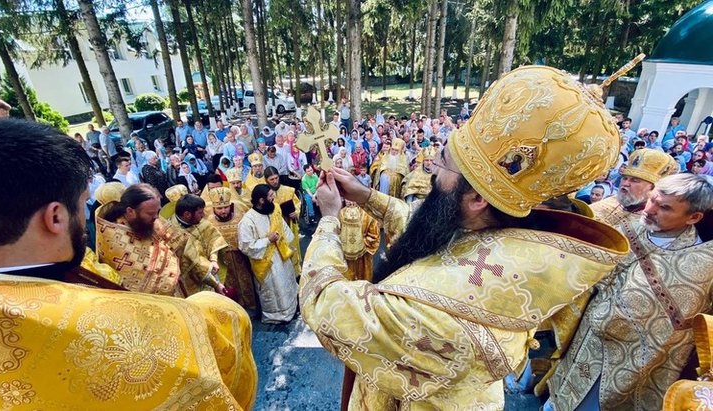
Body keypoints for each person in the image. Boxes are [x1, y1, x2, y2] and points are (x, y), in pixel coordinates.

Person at [299, 65, 631, 409]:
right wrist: (368, 197)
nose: (432, 170)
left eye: (442, 161)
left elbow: (325, 304)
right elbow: (435, 238)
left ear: (477, 199)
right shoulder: (502, 240)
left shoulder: (436, 309)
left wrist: (329, 220)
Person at [0, 118, 257, 410]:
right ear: (55, 217)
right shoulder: (117, 325)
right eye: (82, 205)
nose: (88, 222)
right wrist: (212, 306)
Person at [547, 173, 713, 411]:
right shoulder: (627, 228)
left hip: (637, 366)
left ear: (694, 217)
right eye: (653, 199)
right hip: (588, 342)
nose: (650, 209)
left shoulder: (707, 263)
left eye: (664, 207)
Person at [96, 183, 190, 295]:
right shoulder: (113, 234)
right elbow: (143, 277)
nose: (156, 218)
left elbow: (175, 239)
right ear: (130, 211)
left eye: (158, 212)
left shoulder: (145, 218)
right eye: (151, 213)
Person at [238, 184, 297, 324]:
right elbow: (246, 246)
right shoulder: (247, 221)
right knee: (274, 288)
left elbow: (283, 228)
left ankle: (293, 308)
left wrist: (288, 244)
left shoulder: (274, 209)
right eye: (270, 196)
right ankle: (277, 316)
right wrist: (267, 240)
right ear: (261, 200)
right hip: (266, 261)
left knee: (288, 282)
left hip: (281, 254)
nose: (273, 197)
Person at [591, 148, 679, 229]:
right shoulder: (608, 202)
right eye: (625, 178)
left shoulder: (654, 221)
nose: (625, 184)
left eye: (635, 180)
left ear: (653, 188)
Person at [207, 186, 257, 312]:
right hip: (222, 260)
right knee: (228, 284)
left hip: (242, 256)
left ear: (230, 205)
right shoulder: (208, 221)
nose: (223, 211)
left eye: (225, 207)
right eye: (219, 208)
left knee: (247, 280)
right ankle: (235, 309)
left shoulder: (241, 214)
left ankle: (252, 306)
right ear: (213, 208)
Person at [170, 194, 228, 296]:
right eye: (200, 212)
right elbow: (196, 263)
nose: (204, 215)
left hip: (211, 270)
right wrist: (216, 284)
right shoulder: (174, 235)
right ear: (187, 214)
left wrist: (213, 259)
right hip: (192, 281)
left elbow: (214, 239)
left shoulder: (199, 221)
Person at [338, 199, 380, 281]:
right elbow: (336, 232)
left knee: (362, 278)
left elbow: (374, 236)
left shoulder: (368, 214)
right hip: (344, 256)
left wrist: (361, 245)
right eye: (347, 198)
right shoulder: (340, 213)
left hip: (363, 256)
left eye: (353, 198)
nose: (350, 202)